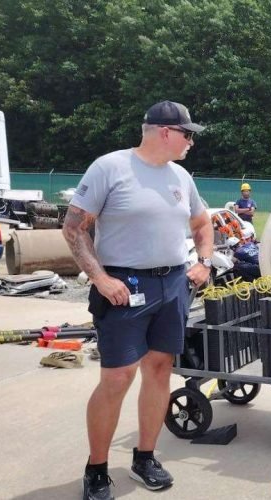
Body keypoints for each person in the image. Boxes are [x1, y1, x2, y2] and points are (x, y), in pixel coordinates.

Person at [62, 100, 213, 500]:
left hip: (172, 285)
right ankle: (96, 468)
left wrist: (205, 262)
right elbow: (74, 227)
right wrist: (99, 278)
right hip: (124, 286)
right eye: (188, 134)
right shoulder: (110, 168)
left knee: (160, 369)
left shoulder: (181, 176)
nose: (191, 142)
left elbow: (202, 223)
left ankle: (145, 457)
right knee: (117, 377)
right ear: (165, 132)